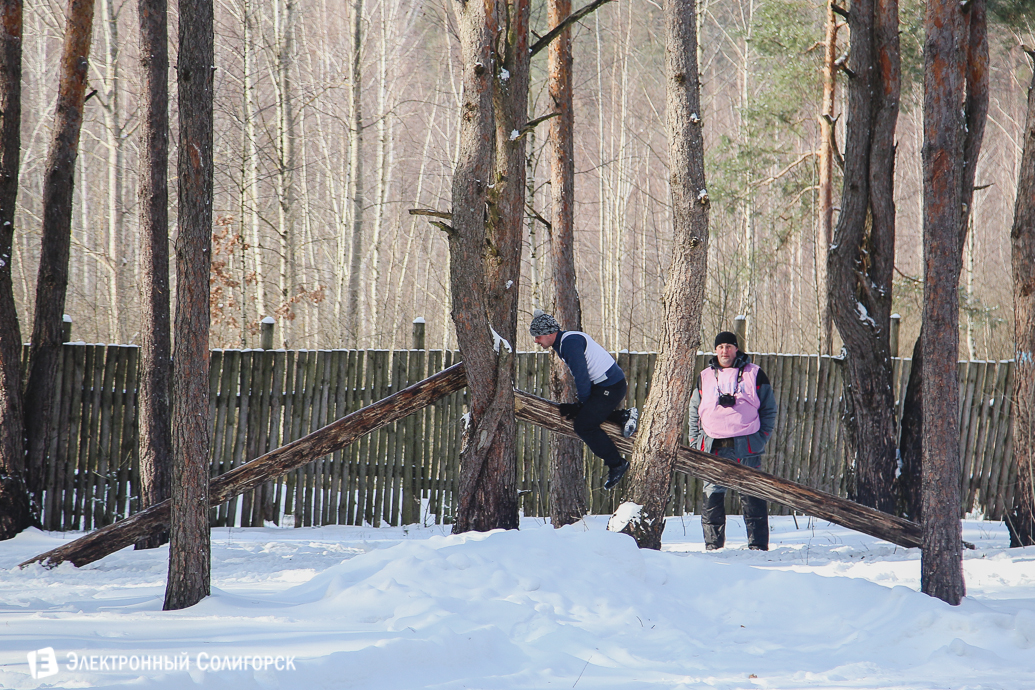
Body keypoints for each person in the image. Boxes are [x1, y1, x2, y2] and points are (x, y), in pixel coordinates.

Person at [529, 309, 638, 490]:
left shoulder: (569, 344)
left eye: (538, 336)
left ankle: (617, 464)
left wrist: (583, 403)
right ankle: (623, 416)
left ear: (549, 333)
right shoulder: (565, 340)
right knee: (584, 413)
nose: (536, 341)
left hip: (610, 386)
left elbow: (581, 377)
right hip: (605, 385)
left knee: (584, 425)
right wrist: (582, 405)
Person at [688, 331, 777, 551]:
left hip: (746, 446)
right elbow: (694, 410)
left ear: (736, 349)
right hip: (713, 447)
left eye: (729, 346)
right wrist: (694, 441)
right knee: (712, 495)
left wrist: (761, 438)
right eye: (720, 347)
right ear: (715, 350)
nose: (725, 351)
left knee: (753, 493)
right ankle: (713, 546)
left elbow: (769, 409)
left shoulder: (754, 373)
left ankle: (757, 546)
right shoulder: (705, 376)